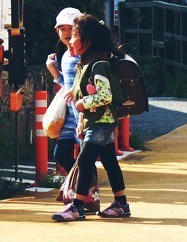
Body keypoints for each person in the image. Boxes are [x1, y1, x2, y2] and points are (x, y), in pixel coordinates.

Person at [52, 14, 131, 221]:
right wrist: (81, 121)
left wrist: (82, 104)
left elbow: (105, 95)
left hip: (101, 122)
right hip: (98, 121)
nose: (70, 40)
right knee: (109, 161)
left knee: (85, 160)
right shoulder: (88, 62)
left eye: (74, 36)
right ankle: (121, 203)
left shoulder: (98, 65)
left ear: (87, 41)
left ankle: (77, 206)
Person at [46, 7, 82, 178]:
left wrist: (77, 90)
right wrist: (52, 69)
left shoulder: (87, 55)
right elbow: (66, 85)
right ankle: (80, 184)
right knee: (60, 154)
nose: (67, 33)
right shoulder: (66, 56)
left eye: (70, 28)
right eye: (62, 29)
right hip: (70, 115)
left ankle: (86, 190)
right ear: (57, 31)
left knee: (88, 157)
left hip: (85, 113)